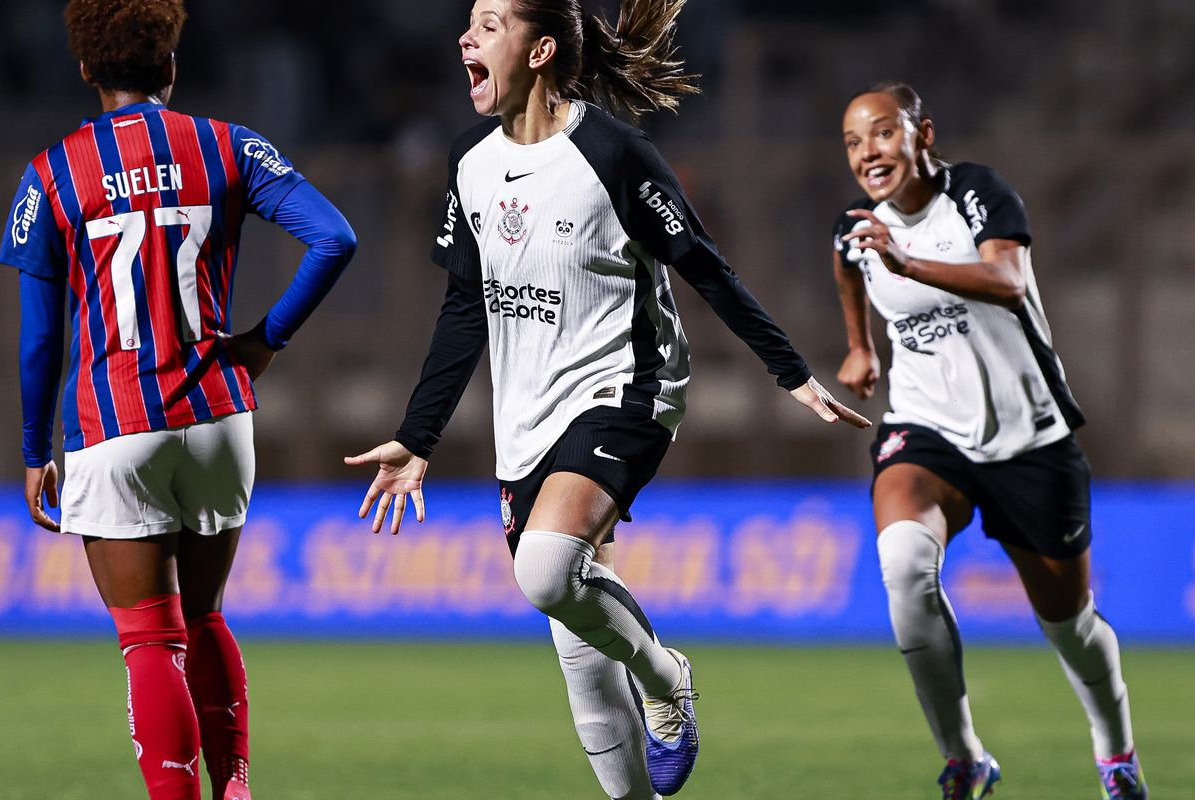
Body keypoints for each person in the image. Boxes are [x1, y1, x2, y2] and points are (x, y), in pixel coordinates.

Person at [344, 1, 869, 797]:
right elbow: (464, 308)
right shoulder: (470, 162)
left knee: (549, 569)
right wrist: (418, 438)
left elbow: (704, 266)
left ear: (541, 47)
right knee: (575, 642)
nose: (465, 36)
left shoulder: (614, 153)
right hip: (524, 419)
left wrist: (789, 370)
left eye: (488, 24)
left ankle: (667, 680)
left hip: (625, 388)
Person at [0, 2, 357, 798]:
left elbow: (39, 342)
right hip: (220, 417)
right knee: (206, 615)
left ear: (87, 69)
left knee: (151, 641)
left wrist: (32, 449)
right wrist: (266, 339)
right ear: (169, 65)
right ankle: (235, 786)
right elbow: (335, 237)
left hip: (115, 423)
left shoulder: (52, 172)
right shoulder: (228, 144)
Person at [830, 82, 1147, 800]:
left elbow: (1006, 277)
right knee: (904, 568)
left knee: (1070, 626)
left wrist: (907, 265)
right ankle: (964, 756)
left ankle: (1115, 749)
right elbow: (848, 264)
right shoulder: (857, 227)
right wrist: (859, 346)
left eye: (882, 133)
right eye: (852, 142)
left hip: (1029, 437)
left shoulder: (976, 193)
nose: (867, 153)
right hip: (926, 430)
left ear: (923, 135)